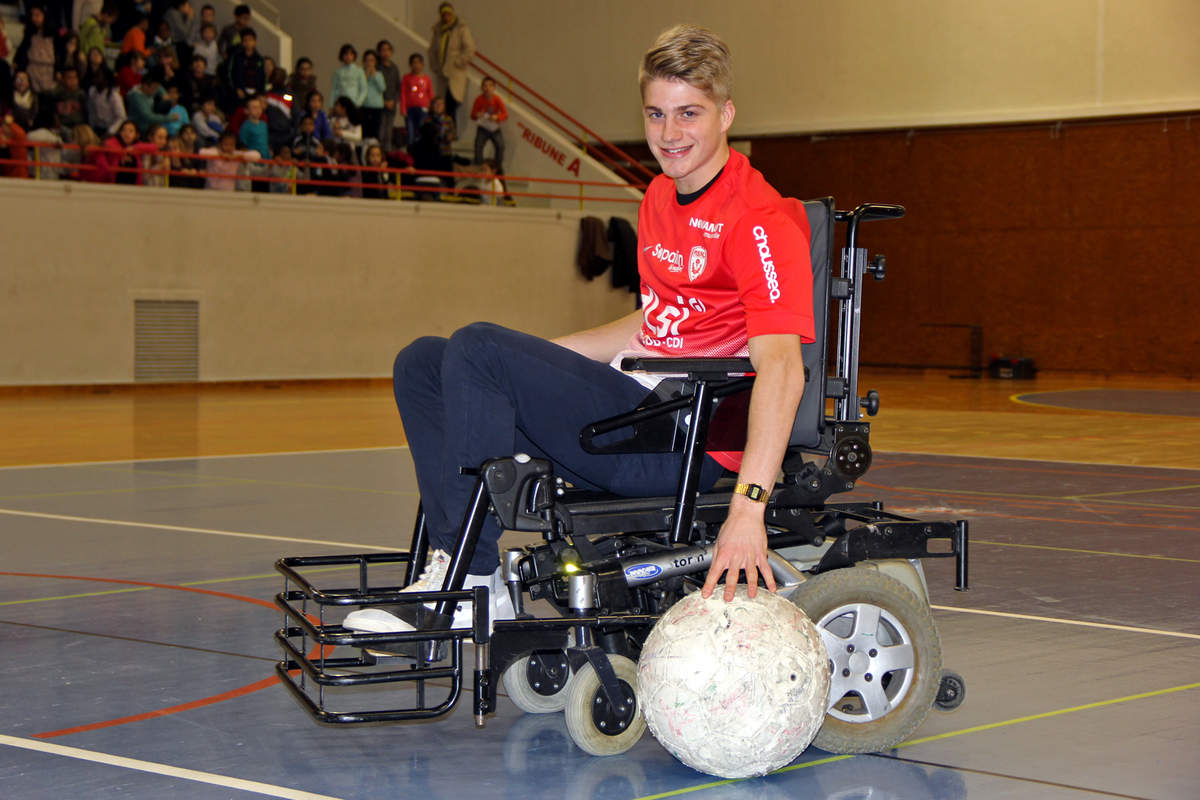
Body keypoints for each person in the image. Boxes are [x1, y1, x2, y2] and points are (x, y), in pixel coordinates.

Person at [344, 24, 814, 638]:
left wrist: (748, 510)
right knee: (425, 361)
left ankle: (474, 582)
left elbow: (783, 367)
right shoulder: (659, 197)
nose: (669, 133)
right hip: (630, 407)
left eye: (688, 114)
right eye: (656, 114)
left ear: (725, 114)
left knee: (478, 347)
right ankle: (452, 562)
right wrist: (541, 360)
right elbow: (659, 318)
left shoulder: (758, 219)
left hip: (679, 437)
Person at [426, 2, 473, 128]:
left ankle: (451, 131)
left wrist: (458, 61)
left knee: (453, 103)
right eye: (444, 14)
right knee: (442, 105)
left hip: (455, 73)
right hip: (442, 74)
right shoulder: (438, 30)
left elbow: (469, 49)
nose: (446, 17)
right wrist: (435, 66)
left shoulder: (461, 28)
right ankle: (445, 131)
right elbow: (432, 50)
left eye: (448, 14)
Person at [14, 5, 63, 95]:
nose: (34, 18)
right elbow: (23, 49)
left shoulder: (54, 33)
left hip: (48, 70)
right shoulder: (30, 32)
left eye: (37, 15)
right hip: (32, 69)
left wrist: (58, 69)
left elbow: (59, 52)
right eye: (33, 15)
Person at [222, 26, 264, 108]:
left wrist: (260, 93)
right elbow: (230, 74)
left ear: (255, 42)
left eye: (250, 40)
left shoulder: (259, 59)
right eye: (245, 40)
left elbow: (262, 76)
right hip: (239, 93)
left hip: (255, 93)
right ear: (242, 42)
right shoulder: (236, 57)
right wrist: (236, 89)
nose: (248, 43)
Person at [469, 75, 506, 168]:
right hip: (483, 127)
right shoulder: (479, 99)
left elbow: (505, 114)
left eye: (490, 85)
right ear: (482, 88)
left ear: (493, 88)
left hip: (494, 127)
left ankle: (497, 168)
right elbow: (472, 115)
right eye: (485, 86)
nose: (487, 88)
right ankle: (479, 167)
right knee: (478, 147)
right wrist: (477, 115)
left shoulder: (497, 99)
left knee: (500, 146)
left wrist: (497, 117)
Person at [400, 52, 432, 150]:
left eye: (418, 62)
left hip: (423, 109)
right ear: (410, 65)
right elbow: (403, 94)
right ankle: (411, 152)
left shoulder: (426, 78)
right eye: (414, 63)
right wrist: (403, 109)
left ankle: (421, 152)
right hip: (410, 109)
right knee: (410, 132)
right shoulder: (406, 78)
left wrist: (431, 108)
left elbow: (430, 93)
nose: (416, 65)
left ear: (422, 64)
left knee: (421, 132)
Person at [376, 40, 401, 149]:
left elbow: (398, 87)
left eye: (388, 50)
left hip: (392, 105)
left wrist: (394, 101)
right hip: (379, 105)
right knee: (380, 133)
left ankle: (388, 154)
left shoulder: (394, 68)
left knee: (388, 133)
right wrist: (383, 102)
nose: (385, 52)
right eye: (383, 50)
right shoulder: (377, 68)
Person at [87, 66, 125, 136]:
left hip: (111, 129)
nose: (95, 79)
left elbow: (121, 117)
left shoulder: (114, 95)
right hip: (97, 128)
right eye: (94, 76)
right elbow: (92, 112)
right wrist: (91, 129)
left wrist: (110, 132)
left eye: (98, 76)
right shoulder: (92, 92)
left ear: (106, 79)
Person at [78, 3, 117, 67]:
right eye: (111, 19)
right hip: (88, 58)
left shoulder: (103, 27)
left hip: (99, 58)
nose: (111, 22)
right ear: (106, 15)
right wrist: (82, 53)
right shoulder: (90, 23)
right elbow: (81, 38)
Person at [329, 43, 366, 110]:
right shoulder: (338, 72)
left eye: (351, 54)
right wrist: (331, 105)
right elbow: (334, 89)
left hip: (354, 103)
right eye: (346, 54)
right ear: (342, 56)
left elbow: (364, 89)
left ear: (354, 55)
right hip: (341, 104)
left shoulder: (359, 71)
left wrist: (358, 103)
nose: (348, 56)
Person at [360, 49, 385, 143]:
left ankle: (374, 147)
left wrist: (374, 75)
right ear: (364, 62)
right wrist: (366, 75)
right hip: (364, 105)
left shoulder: (379, 74)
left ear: (375, 62)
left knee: (375, 130)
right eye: (367, 60)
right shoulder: (361, 73)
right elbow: (360, 87)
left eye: (372, 60)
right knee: (364, 130)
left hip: (377, 106)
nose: (369, 63)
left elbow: (382, 88)